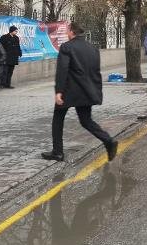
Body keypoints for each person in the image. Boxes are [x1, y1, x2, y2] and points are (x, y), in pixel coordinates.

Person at [41, 22, 118, 162]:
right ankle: (109, 141)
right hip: (86, 90)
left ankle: (57, 152)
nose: (66, 34)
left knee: (58, 119)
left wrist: (58, 91)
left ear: (72, 32)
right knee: (86, 120)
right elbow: (95, 71)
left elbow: (62, 70)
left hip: (69, 91)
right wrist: (95, 90)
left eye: (67, 31)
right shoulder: (93, 48)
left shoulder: (66, 47)